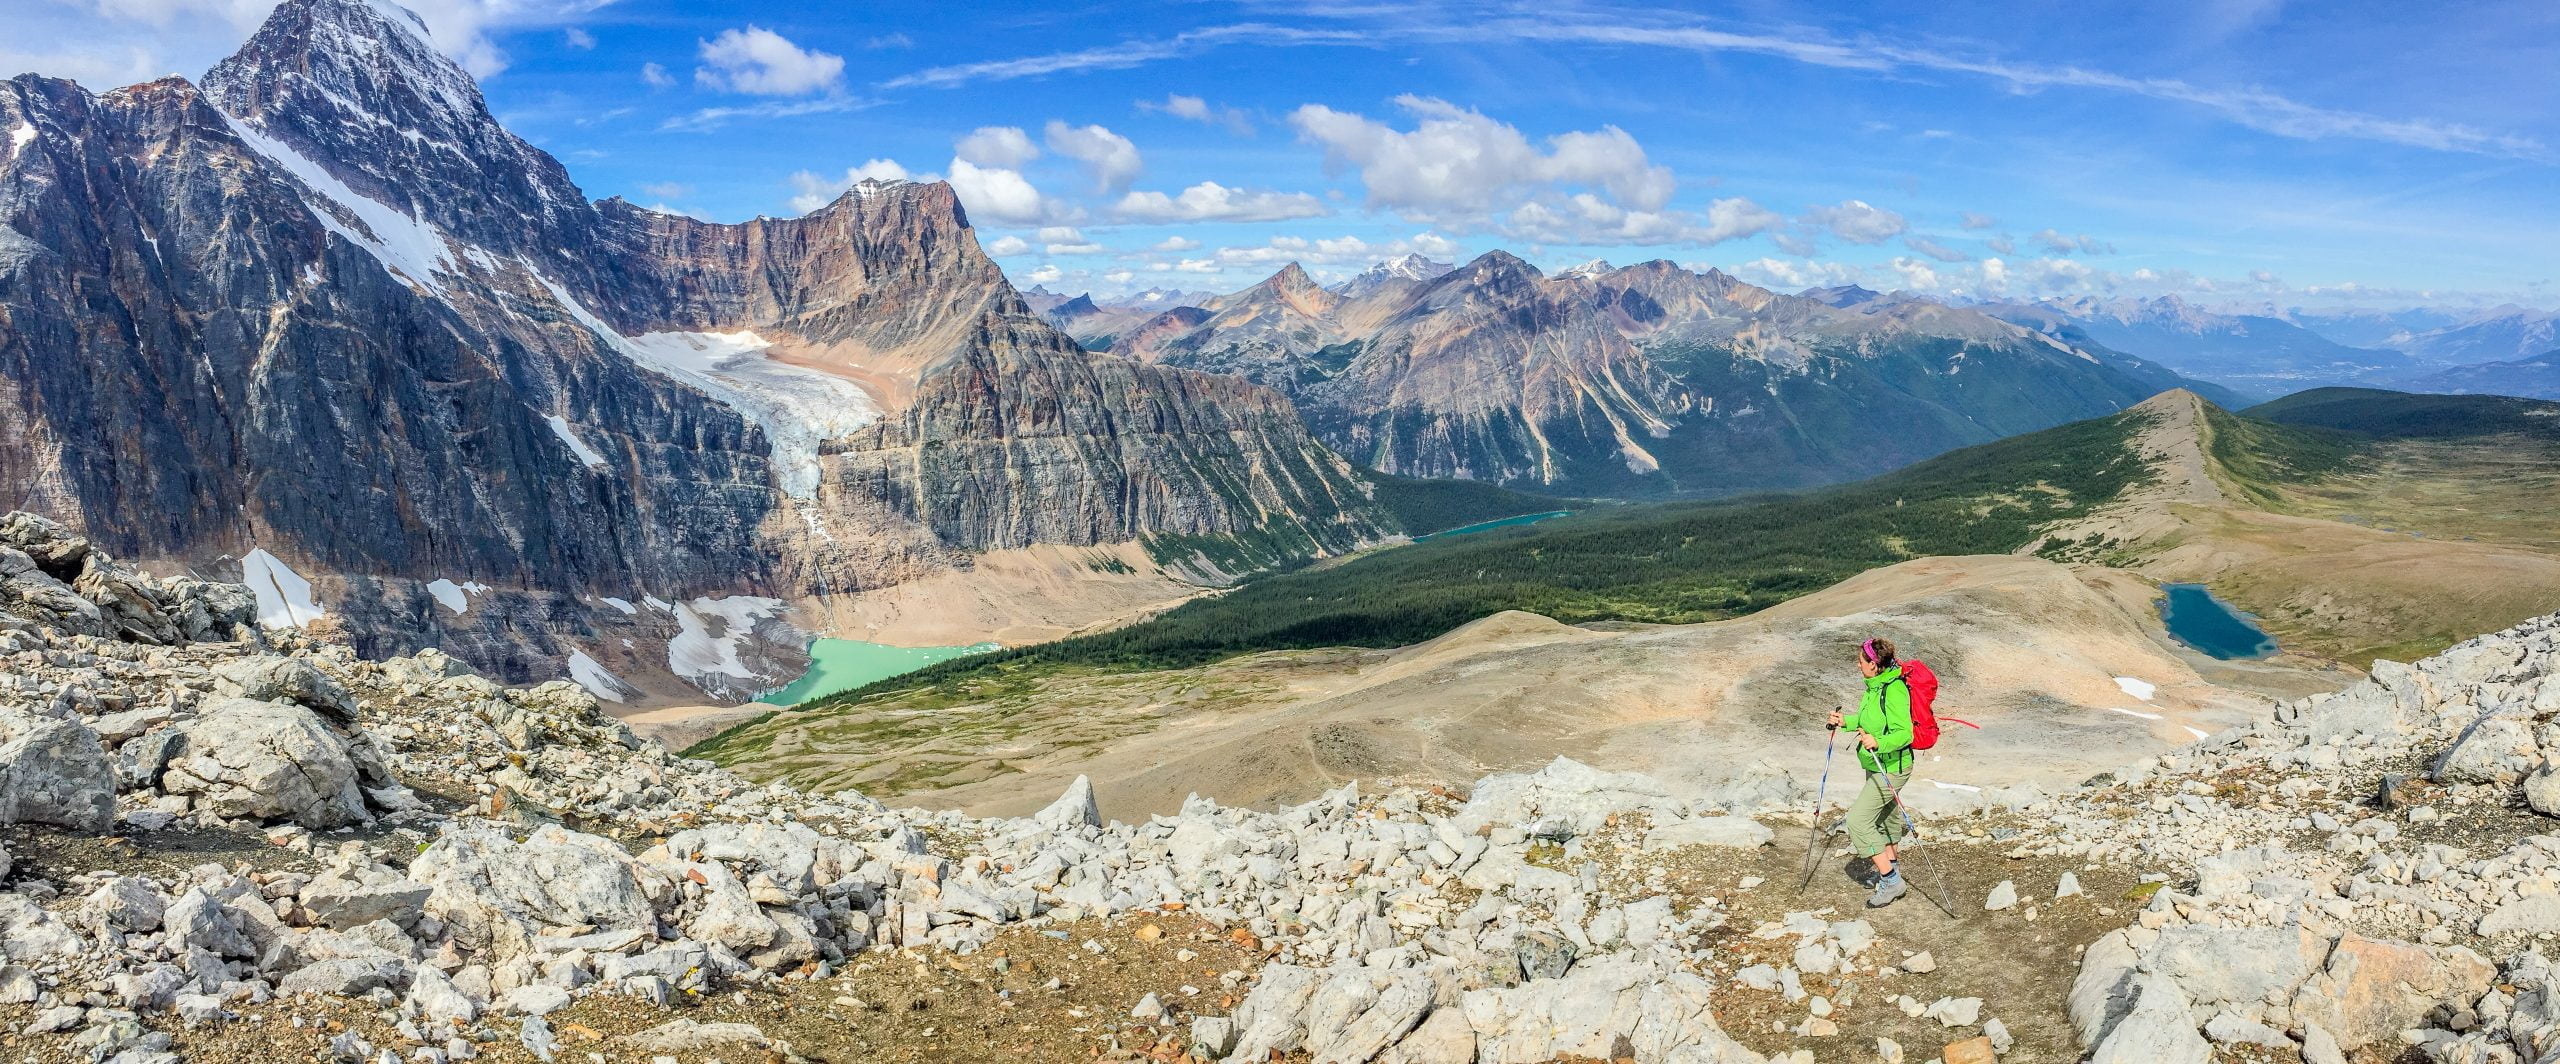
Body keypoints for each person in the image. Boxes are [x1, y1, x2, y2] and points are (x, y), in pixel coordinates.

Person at [1827, 637, 1915, 908]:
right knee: (1886, 821)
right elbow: (1870, 721)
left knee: (1858, 821)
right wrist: (1846, 722)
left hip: (1892, 767)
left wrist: (1879, 742)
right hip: (1877, 764)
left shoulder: (1894, 689)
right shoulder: (1875, 687)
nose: (1858, 664)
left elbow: (1905, 733)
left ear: (1874, 665)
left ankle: (1890, 881)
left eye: (1862, 660)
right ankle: (1893, 874)